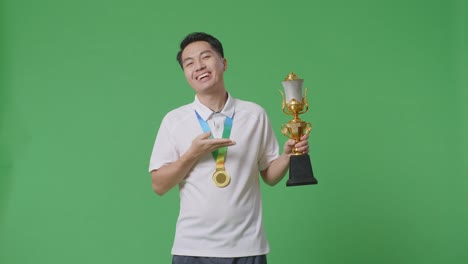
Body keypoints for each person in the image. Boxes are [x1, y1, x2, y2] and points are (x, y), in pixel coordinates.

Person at [149, 32, 310, 264]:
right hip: (193, 249)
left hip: (248, 248)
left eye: (206, 57)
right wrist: (192, 155)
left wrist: (287, 156)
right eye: (189, 63)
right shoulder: (174, 121)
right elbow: (159, 185)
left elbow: (270, 176)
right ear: (185, 73)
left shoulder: (254, 114)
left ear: (223, 63)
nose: (199, 66)